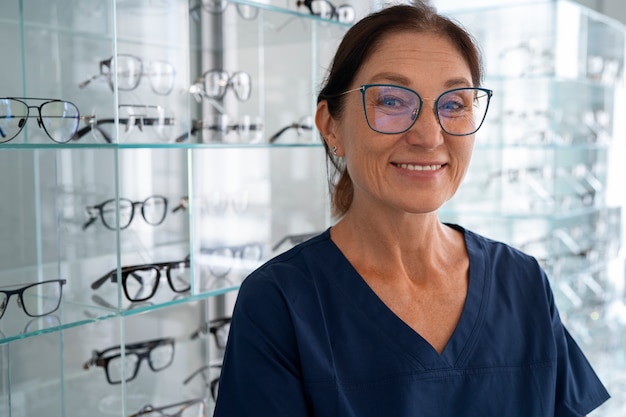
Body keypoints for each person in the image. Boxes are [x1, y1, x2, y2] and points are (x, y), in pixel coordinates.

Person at [213, 3, 610, 416]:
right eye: (391, 100)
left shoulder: (523, 283)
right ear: (331, 126)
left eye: (454, 104)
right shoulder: (281, 303)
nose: (428, 135)